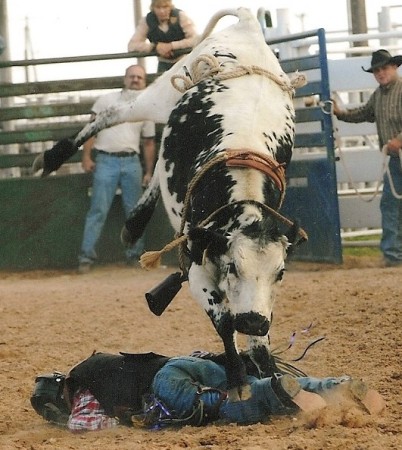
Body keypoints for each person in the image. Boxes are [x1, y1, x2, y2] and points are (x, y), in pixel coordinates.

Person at [31, 350, 385, 431]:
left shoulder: (80, 388)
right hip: (186, 363)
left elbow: (86, 424)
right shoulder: (102, 361)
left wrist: (61, 426)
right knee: (235, 385)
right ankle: (333, 386)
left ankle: (274, 389)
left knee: (221, 407)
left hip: (164, 385)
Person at [78, 65, 156, 273]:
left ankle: (134, 256)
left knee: (134, 211)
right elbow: (91, 130)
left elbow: (148, 143)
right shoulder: (106, 101)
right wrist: (86, 157)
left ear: (144, 81)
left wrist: (149, 171)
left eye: (140, 77)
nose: (135, 80)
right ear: (124, 79)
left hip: (132, 162)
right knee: (98, 210)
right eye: (132, 76)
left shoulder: (146, 108)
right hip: (106, 161)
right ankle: (86, 257)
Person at [333, 49, 402, 267]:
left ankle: (393, 253)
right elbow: (363, 113)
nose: (380, 73)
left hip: (397, 152)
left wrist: (399, 140)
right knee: (391, 206)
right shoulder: (378, 95)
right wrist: (340, 113)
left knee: (392, 205)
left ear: (394, 67)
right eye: (377, 71)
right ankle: (393, 256)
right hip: (395, 160)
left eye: (384, 68)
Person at [127, 0, 198, 73]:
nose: (162, 11)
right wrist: (155, 47)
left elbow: (195, 39)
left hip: (184, 62)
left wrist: (171, 46)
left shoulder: (181, 16)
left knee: (188, 82)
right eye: (158, 7)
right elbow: (132, 45)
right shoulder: (147, 21)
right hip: (163, 64)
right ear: (153, 8)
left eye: (165, 7)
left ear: (170, 6)